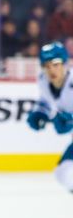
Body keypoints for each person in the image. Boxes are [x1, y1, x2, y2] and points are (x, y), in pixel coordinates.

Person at [26, 42, 73, 194]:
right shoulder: (43, 81)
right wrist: (40, 113)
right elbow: (45, 102)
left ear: (66, 64)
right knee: (63, 173)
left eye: (56, 64)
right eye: (46, 65)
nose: (51, 69)